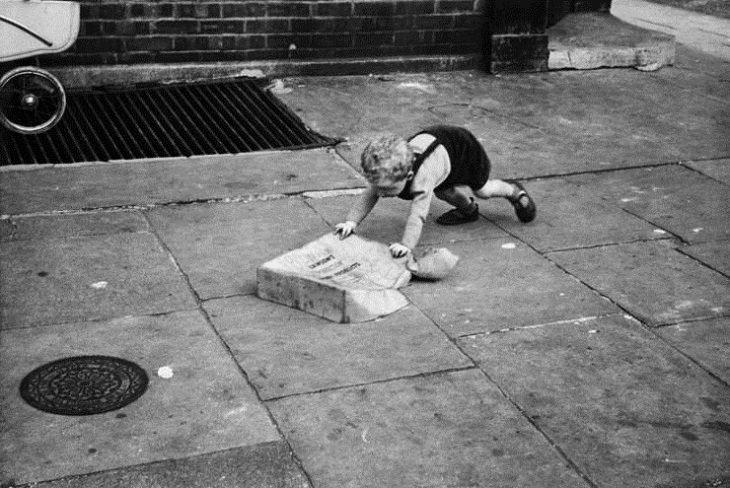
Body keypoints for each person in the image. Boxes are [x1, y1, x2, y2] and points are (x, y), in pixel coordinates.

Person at [334, 125, 536, 258]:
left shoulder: (421, 179)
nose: (382, 193)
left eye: (387, 189)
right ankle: (468, 210)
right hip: (441, 150)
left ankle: (513, 191)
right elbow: (369, 195)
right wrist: (351, 221)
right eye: (378, 187)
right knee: (444, 191)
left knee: (483, 190)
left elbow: (418, 215)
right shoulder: (386, 174)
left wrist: (406, 245)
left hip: (463, 150)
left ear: (409, 177)